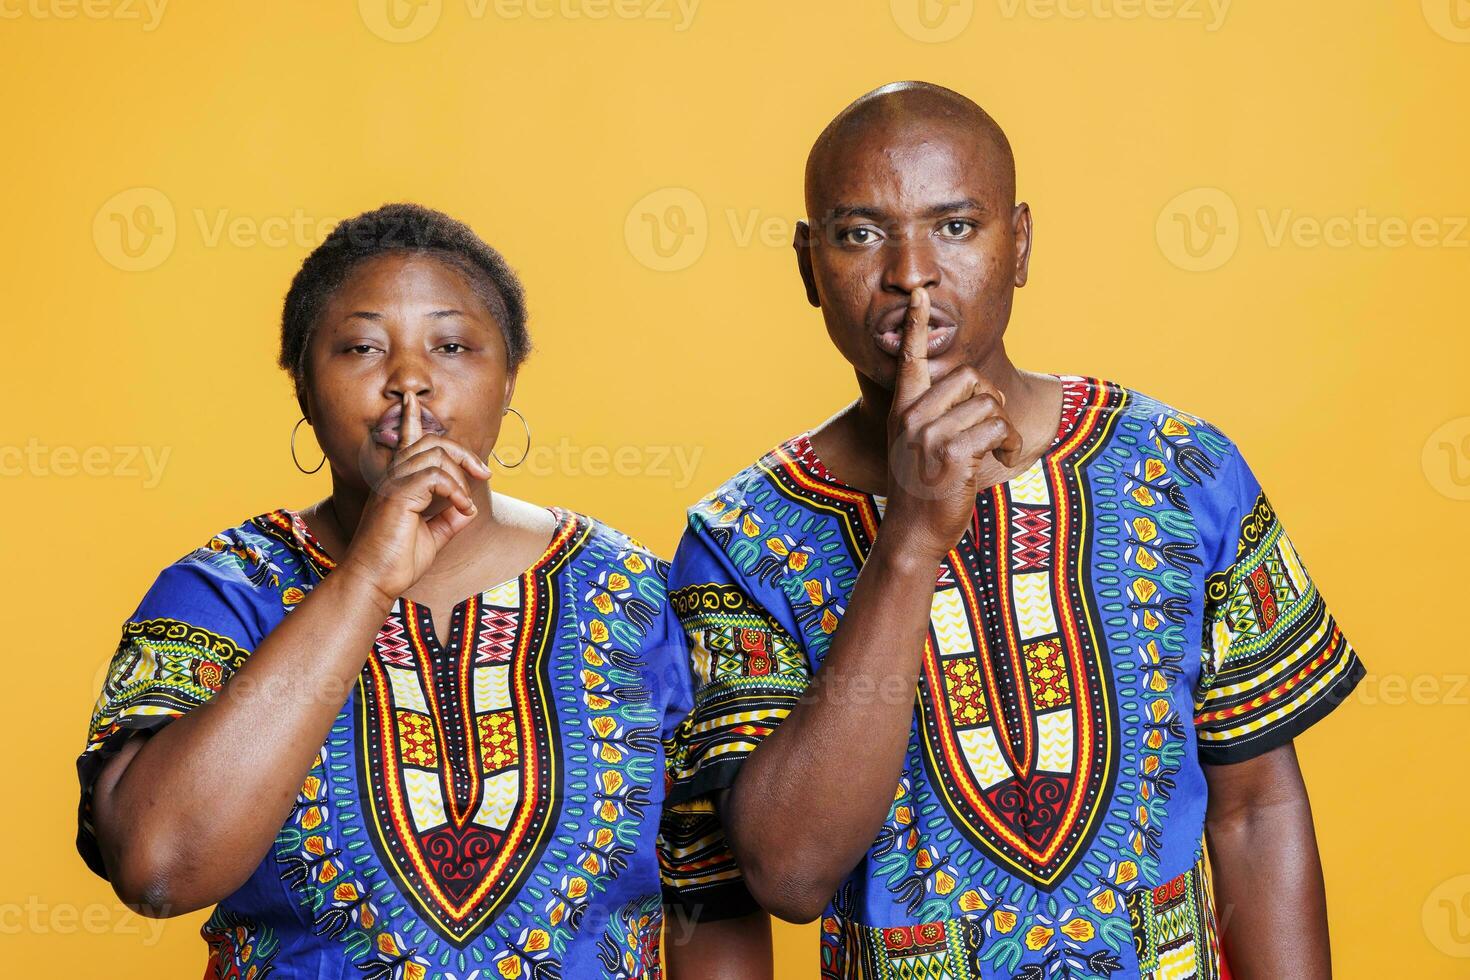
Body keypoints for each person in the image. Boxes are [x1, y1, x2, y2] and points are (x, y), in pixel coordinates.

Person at [664, 83, 1365, 979]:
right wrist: (911, 540)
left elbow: (1256, 810)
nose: (911, 272)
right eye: (859, 233)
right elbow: (789, 874)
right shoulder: (738, 538)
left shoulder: (1180, 467)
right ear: (809, 265)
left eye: (955, 226)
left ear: (1020, 242)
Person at [77, 203, 770, 978]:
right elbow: (159, 868)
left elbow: (711, 906)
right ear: (304, 387)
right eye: (363, 348)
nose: (409, 379)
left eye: (451, 345)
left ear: (508, 377)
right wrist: (368, 577)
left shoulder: (635, 595)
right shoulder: (223, 591)